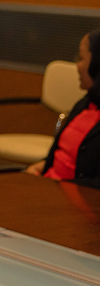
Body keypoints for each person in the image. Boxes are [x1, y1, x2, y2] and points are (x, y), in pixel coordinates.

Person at [26, 28, 100, 189]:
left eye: (81, 58)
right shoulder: (86, 103)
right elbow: (65, 156)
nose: (77, 66)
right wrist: (43, 166)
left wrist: (52, 185)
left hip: (72, 200)